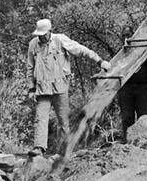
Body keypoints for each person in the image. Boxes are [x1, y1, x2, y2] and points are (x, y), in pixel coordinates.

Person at [27, 17, 110, 154]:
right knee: (40, 118)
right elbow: (30, 67)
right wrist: (31, 88)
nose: (41, 38)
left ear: (50, 31)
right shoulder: (33, 45)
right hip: (41, 88)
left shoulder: (60, 40)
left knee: (63, 121)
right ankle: (39, 147)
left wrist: (99, 61)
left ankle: (67, 150)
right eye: (39, 35)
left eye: (43, 35)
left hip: (60, 87)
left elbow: (81, 50)